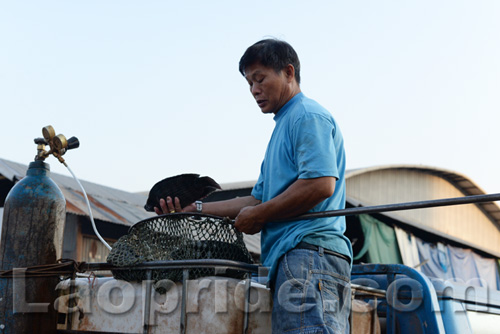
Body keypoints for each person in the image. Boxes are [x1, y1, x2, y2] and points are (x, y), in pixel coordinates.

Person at [156, 38, 352, 334]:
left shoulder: (307, 116)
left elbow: (320, 184)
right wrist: (193, 209)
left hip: (310, 254)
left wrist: (261, 216)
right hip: (294, 259)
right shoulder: (283, 126)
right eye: (249, 83)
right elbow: (258, 200)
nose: (254, 90)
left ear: (288, 73)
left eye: (260, 79)